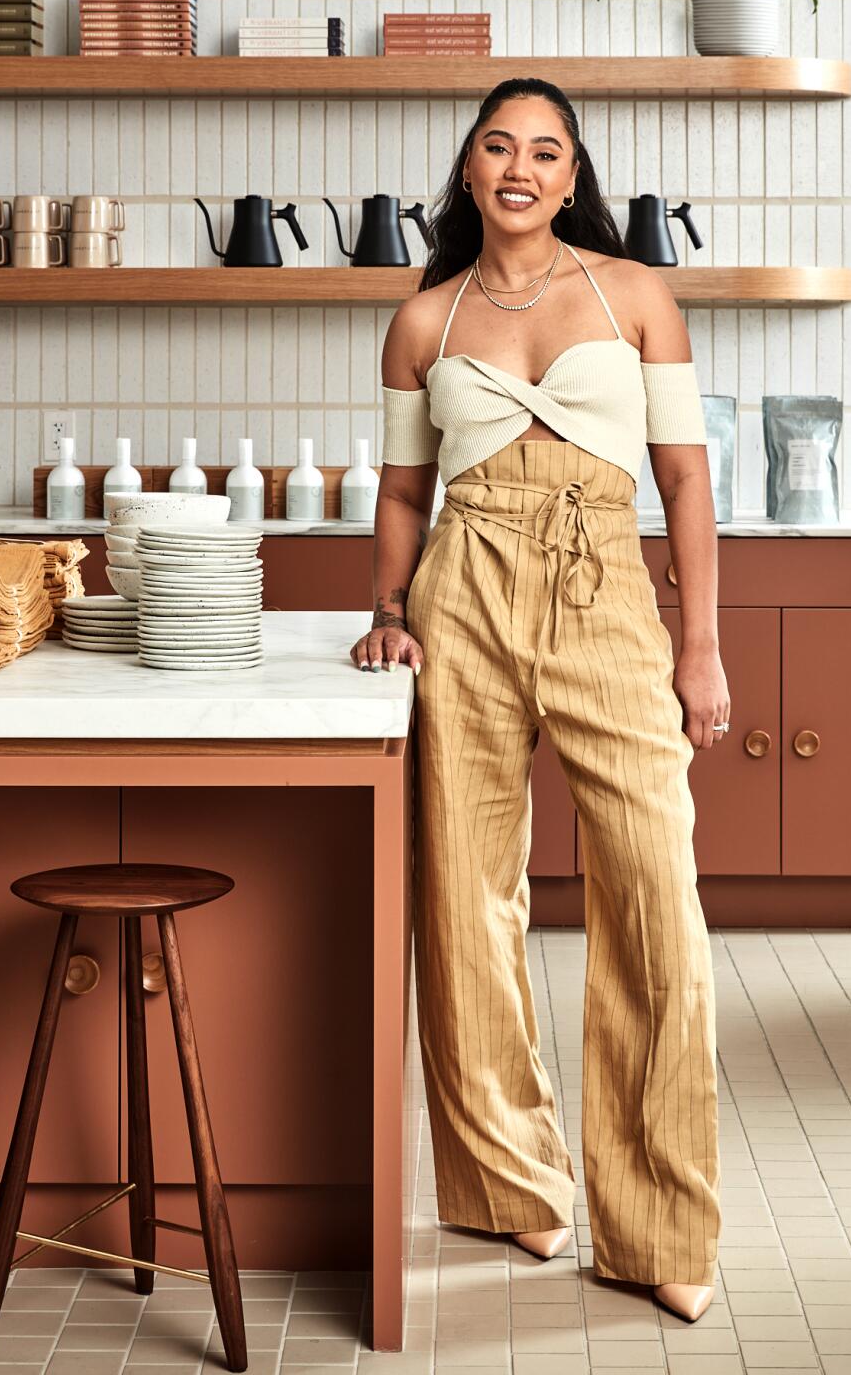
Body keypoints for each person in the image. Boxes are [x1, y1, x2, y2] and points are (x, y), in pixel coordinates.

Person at [350, 76, 730, 1323]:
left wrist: (701, 647)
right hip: (462, 587)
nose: (520, 166)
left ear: (575, 176)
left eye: (546, 151)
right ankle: (513, 1188)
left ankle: (660, 1224)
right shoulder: (420, 320)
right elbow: (406, 491)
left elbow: (684, 477)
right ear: (468, 169)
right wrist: (391, 610)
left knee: (654, 897)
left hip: (607, 586)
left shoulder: (633, 296)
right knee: (464, 896)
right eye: (499, 145)